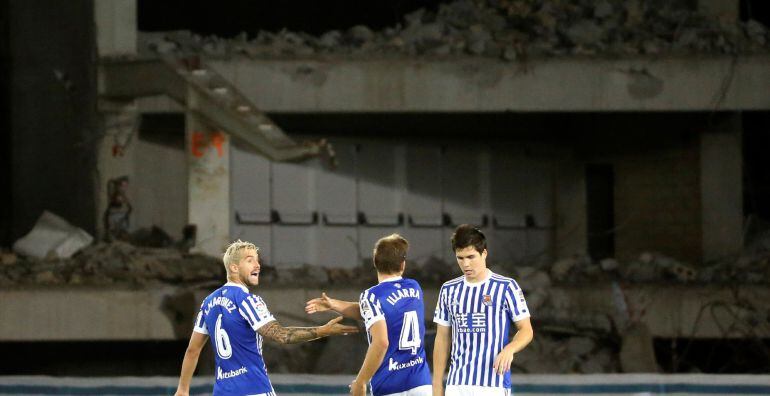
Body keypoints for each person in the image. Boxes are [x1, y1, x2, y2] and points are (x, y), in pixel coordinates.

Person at [174, 240, 358, 396]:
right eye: (250, 260)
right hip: (254, 388)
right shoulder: (247, 300)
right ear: (234, 267)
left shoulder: (208, 303)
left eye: (257, 260)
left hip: (223, 391)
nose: (257, 265)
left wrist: (183, 389)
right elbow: (280, 335)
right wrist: (322, 331)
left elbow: (192, 350)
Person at [305, 234, 432, 396]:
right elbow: (375, 312)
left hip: (389, 384)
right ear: (403, 264)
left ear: (375, 262)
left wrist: (361, 381)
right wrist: (334, 304)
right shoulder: (414, 288)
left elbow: (381, 342)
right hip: (421, 383)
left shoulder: (372, 296)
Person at [432, 225, 534, 396]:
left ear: (484, 253)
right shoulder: (448, 290)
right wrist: (436, 384)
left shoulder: (506, 287)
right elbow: (442, 338)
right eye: (460, 258)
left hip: (493, 384)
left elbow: (527, 330)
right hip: (457, 384)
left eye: (471, 257)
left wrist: (510, 348)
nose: (466, 264)